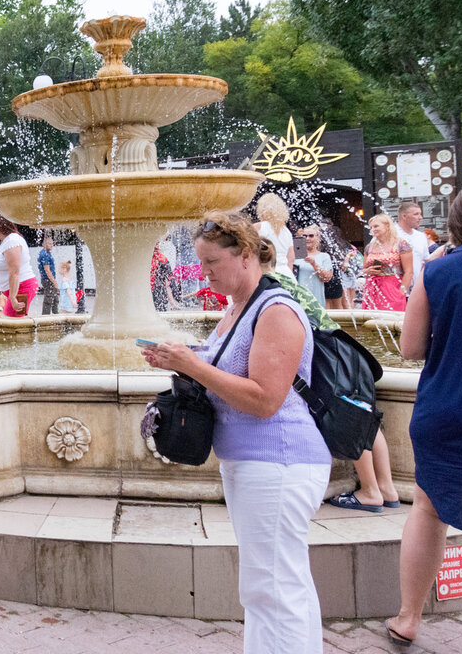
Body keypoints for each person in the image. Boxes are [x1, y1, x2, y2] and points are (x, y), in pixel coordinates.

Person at [142, 212, 330, 653]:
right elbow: (221, 365)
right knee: (268, 587)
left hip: (279, 461)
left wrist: (194, 366)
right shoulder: (236, 310)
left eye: (211, 263)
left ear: (245, 255)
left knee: (274, 588)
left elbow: (266, 399)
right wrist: (179, 357)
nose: (204, 274)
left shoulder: (277, 309)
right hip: (255, 463)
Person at [384, 185, 462, 648]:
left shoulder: (438, 272)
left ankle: (409, 618)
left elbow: (411, 348)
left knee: (428, 507)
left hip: (448, 409)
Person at [260, 242, 400, 514]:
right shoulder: (284, 278)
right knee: (366, 416)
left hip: (330, 356)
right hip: (344, 348)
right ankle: (387, 488)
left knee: (349, 415)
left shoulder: (266, 285)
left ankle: (370, 492)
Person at [0, 211, 39, 317]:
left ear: (0, 224)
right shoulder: (3, 241)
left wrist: (13, 297)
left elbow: (14, 272)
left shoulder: (12, 241)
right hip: (16, 289)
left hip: (22, 288)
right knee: (12, 323)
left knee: (12, 325)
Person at [362, 214, 412, 311]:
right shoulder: (369, 246)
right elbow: (363, 270)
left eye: (376, 226)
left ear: (387, 226)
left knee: (391, 320)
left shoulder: (401, 244)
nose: (372, 229)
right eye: (371, 227)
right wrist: (368, 271)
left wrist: (401, 293)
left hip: (392, 287)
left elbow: (409, 272)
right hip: (372, 288)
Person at [254, 192, 295, 279]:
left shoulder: (259, 227)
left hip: (266, 273)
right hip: (286, 273)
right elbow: (291, 258)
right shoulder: (286, 231)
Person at [294, 225, 333, 306]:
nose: (307, 238)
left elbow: (327, 278)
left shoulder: (324, 256)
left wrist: (314, 264)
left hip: (316, 301)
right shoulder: (295, 255)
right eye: (304, 236)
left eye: (311, 236)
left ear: (318, 238)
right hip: (298, 300)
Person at [395, 201, 429, 292]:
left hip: (415, 289)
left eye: (420, 214)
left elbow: (426, 260)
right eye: (416, 214)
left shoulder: (421, 236)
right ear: (404, 216)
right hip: (394, 288)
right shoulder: (389, 234)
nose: (420, 218)